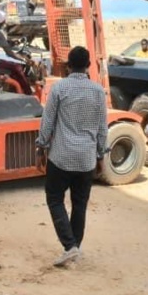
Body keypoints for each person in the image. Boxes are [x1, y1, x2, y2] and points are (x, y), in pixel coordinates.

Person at [35, 46, 108, 267]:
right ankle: (74, 247)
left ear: (68, 66)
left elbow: (47, 122)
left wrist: (41, 147)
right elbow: (102, 129)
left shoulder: (59, 88)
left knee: (54, 199)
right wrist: (100, 156)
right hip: (86, 159)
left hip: (61, 157)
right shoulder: (98, 92)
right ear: (88, 66)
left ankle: (69, 247)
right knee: (80, 204)